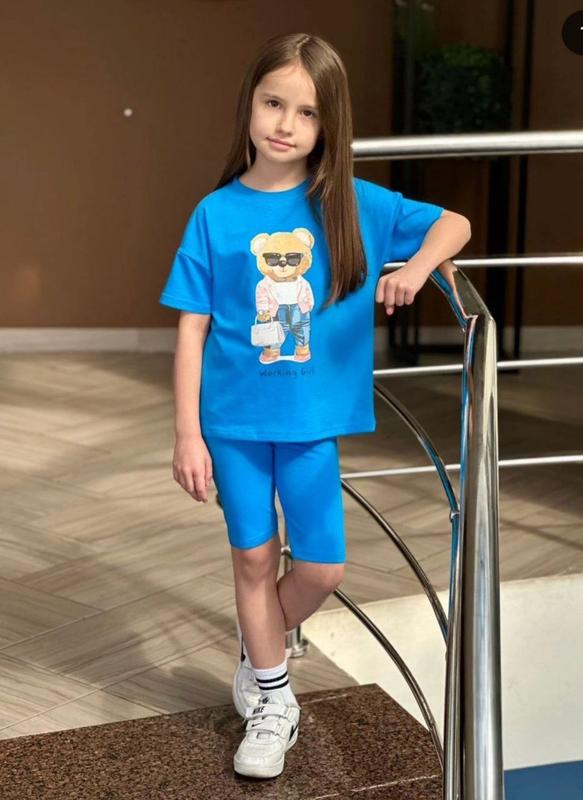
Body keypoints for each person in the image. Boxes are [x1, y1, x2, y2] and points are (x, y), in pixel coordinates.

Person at [158, 32, 471, 780]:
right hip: (230, 423)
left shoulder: (351, 203)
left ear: (329, 124)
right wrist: (186, 434)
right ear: (250, 104)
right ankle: (273, 700)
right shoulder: (214, 214)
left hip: (311, 426)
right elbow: (192, 329)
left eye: (307, 112)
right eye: (274, 103)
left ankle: (258, 647)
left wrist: (417, 268)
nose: (286, 124)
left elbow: (453, 223)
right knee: (252, 556)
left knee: (323, 568)